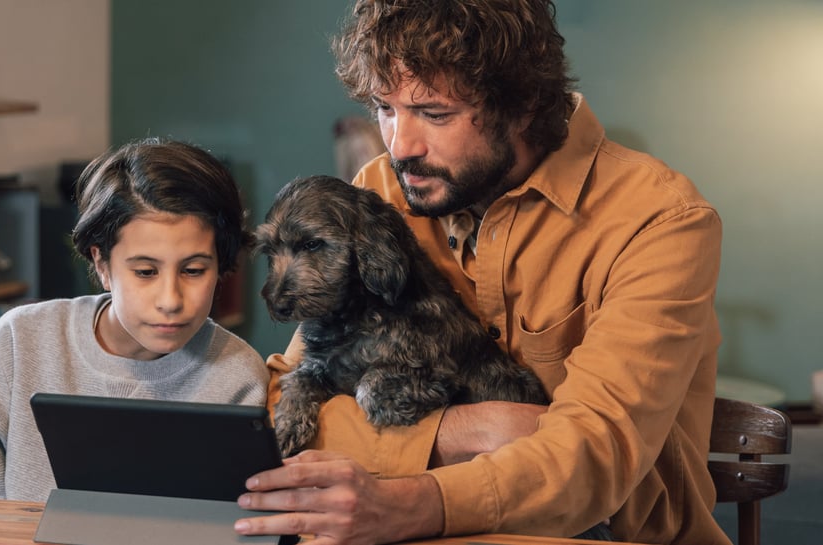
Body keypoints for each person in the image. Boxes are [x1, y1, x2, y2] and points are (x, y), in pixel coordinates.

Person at [235, 1, 728, 544]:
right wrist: (466, 431)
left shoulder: (660, 220)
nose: (400, 147)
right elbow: (288, 403)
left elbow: (594, 455)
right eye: (385, 108)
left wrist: (410, 502)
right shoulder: (379, 190)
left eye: (435, 113)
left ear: (523, 104)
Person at [0, 138, 268, 501]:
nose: (170, 300)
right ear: (102, 264)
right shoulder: (17, 342)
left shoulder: (238, 376)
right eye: (146, 272)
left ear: (221, 265)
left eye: (194, 270)